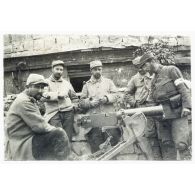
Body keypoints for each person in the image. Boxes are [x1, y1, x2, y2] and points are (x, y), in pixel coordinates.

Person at [5, 74, 70, 160]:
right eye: (37, 87)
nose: (40, 90)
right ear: (27, 87)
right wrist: (55, 130)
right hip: (23, 144)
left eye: (42, 87)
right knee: (59, 133)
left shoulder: (27, 98)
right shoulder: (24, 102)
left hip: (25, 139)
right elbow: (40, 127)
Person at [139, 52, 191, 160]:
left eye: (145, 65)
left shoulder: (171, 70)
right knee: (167, 146)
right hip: (163, 117)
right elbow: (152, 101)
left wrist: (187, 106)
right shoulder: (153, 81)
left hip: (178, 114)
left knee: (182, 145)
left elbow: (183, 89)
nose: (145, 69)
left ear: (153, 61)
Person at [124, 56, 162, 160]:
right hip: (142, 110)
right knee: (148, 136)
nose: (140, 69)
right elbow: (127, 94)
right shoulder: (134, 79)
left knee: (161, 133)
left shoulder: (154, 75)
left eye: (142, 66)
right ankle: (154, 158)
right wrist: (135, 103)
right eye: (137, 67)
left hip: (156, 107)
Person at [79, 60, 121, 153]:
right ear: (91, 71)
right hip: (94, 120)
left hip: (108, 118)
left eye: (99, 69)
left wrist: (107, 98)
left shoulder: (108, 82)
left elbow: (117, 95)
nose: (98, 71)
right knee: (96, 147)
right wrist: (90, 103)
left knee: (113, 145)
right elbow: (81, 102)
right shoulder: (86, 85)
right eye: (95, 69)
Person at [43, 60, 79, 141]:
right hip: (53, 113)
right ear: (52, 69)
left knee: (68, 136)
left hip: (68, 113)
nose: (59, 71)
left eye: (61, 70)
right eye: (57, 69)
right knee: (57, 136)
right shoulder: (46, 82)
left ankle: (68, 152)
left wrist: (74, 106)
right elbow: (43, 95)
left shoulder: (67, 83)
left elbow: (74, 98)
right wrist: (57, 95)